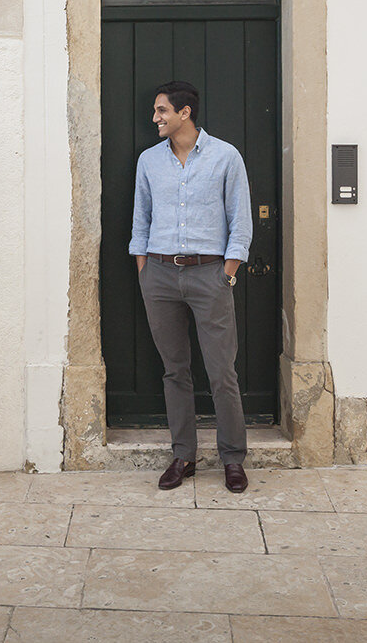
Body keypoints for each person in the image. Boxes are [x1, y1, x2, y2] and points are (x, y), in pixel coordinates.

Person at [130, 79, 253, 493]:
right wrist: (144, 267)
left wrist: (229, 270)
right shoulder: (149, 160)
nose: (155, 118)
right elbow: (140, 218)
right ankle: (183, 455)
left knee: (222, 372)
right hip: (160, 275)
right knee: (174, 371)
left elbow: (241, 220)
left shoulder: (225, 157)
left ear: (185, 113)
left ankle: (232, 458)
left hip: (210, 274)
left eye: (161, 110)